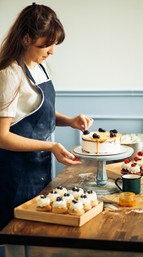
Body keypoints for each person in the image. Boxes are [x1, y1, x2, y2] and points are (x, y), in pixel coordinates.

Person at [0, 3, 93, 230]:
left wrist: (69, 121)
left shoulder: (42, 68)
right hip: (15, 173)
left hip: (40, 167)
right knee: (15, 234)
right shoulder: (9, 75)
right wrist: (51, 145)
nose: (52, 51)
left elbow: (37, 113)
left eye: (54, 44)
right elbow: (2, 136)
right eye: (47, 44)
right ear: (26, 39)